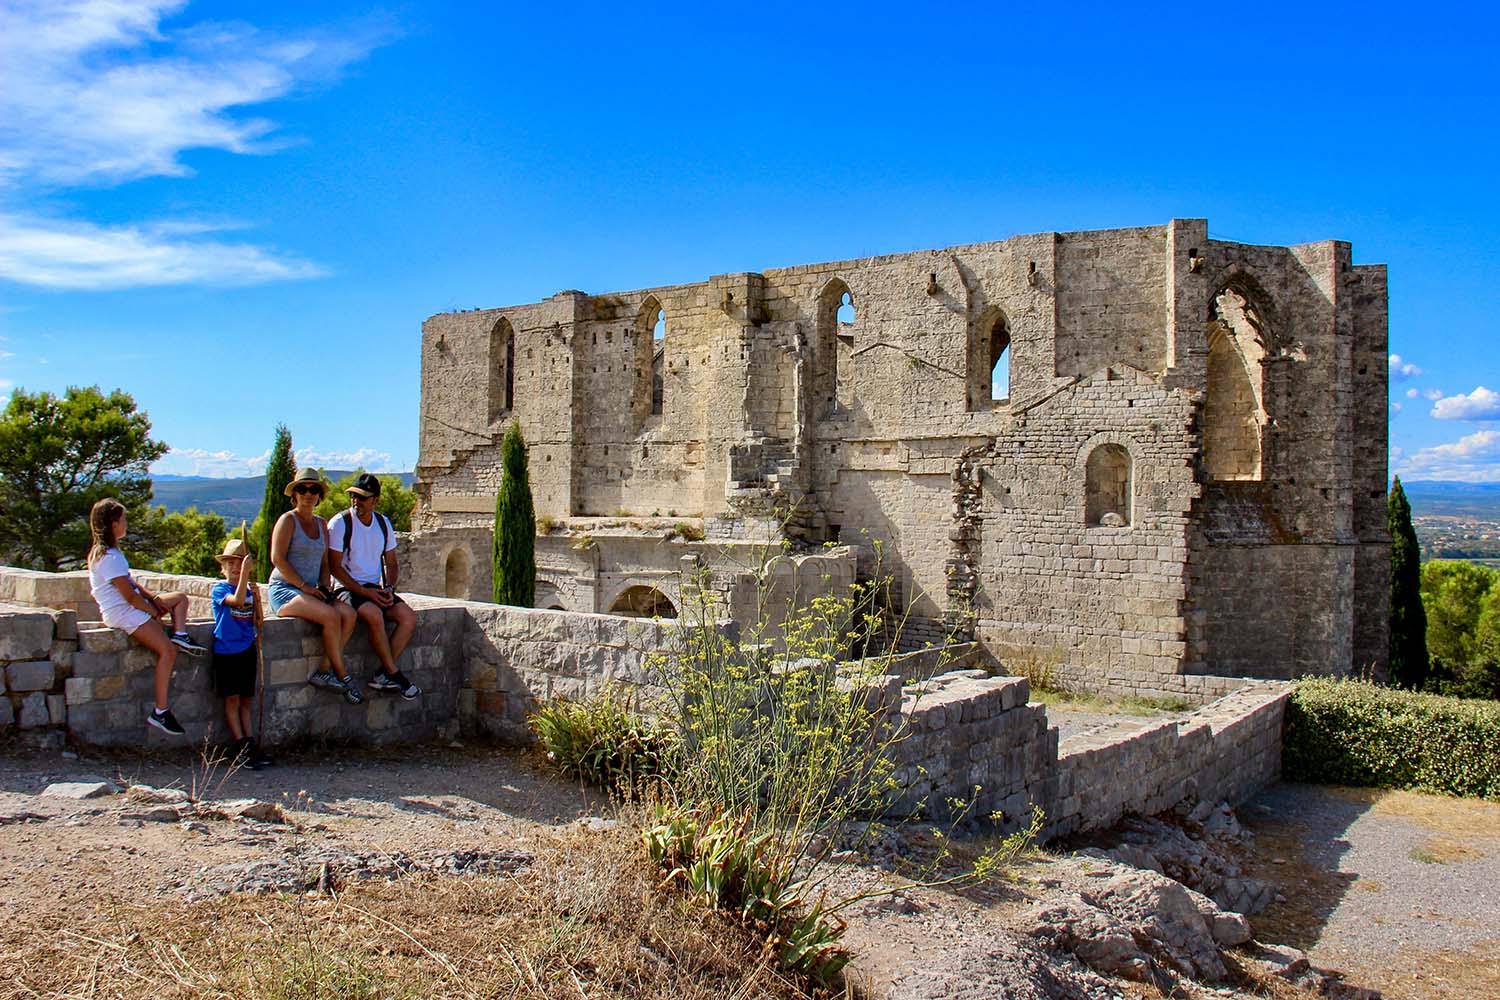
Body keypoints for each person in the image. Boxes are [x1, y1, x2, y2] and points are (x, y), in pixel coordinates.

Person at [85, 498, 205, 736]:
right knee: (167, 652)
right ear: (113, 523)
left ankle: (180, 634)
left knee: (180, 599)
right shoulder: (109, 558)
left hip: (130, 609)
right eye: (123, 519)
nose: (126, 523)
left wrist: (154, 600)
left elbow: (130, 582)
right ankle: (161, 711)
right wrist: (151, 613)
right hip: (123, 613)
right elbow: (129, 596)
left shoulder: (110, 555)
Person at [267, 467, 362, 704]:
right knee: (331, 617)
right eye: (302, 489)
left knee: (348, 615)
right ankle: (344, 676)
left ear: (319, 495)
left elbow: (323, 562)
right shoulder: (287, 520)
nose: (308, 494)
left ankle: (324, 669)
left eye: (313, 489)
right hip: (285, 589)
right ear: (295, 494)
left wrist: (324, 586)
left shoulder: (321, 525)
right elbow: (277, 559)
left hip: (310, 590)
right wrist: (303, 586)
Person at [328, 473, 421, 699]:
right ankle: (394, 673)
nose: (356, 502)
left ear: (375, 500)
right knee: (374, 616)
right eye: (353, 496)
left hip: (374, 588)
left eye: (362, 497)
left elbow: (392, 563)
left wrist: (388, 589)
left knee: (408, 618)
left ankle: (382, 674)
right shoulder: (340, 523)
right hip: (347, 588)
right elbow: (335, 567)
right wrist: (363, 591)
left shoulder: (383, 523)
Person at [210, 537, 272, 770]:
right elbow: (235, 601)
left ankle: (250, 743)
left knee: (246, 699)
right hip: (226, 651)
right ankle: (239, 745)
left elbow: (259, 621)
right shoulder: (220, 589)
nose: (236, 568)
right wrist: (246, 576)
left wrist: (256, 597)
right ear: (223, 568)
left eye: (240, 563)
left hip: (247, 649)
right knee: (232, 698)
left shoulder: (249, 590)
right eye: (231, 564)